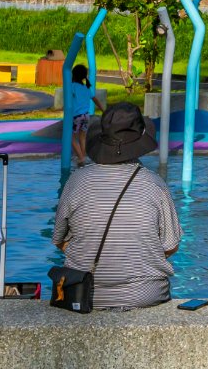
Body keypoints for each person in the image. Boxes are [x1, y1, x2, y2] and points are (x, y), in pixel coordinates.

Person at [50, 101, 181, 309]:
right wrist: (135, 254)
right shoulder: (155, 184)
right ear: (140, 139)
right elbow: (171, 245)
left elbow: (58, 240)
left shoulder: (77, 181)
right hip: (145, 295)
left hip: (84, 294)